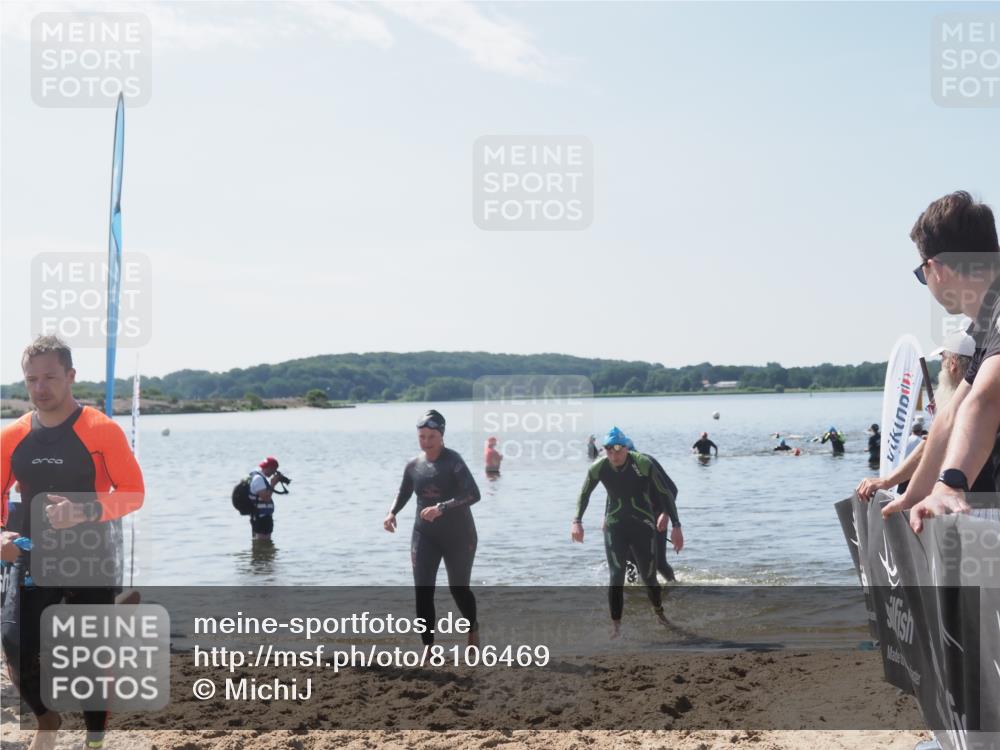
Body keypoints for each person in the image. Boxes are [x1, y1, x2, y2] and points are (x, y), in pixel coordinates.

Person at [1, 336, 144, 750]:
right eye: (32, 379)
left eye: (49, 377)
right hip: (30, 554)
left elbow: (133, 492)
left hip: (91, 555)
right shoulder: (12, 436)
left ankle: (95, 738)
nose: (40, 387)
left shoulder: (101, 430)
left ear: (71, 376)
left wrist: (82, 511)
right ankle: (47, 719)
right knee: (14, 643)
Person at [881, 191, 1000, 529]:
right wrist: (914, 494)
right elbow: (950, 417)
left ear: (936, 269)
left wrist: (950, 484)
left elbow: (986, 401)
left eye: (922, 275)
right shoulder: (985, 325)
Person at [384, 410, 481, 646]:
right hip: (424, 534)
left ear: (442, 436)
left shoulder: (453, 461)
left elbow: (473, 494)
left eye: (431, 437)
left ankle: (472, 628)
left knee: (458, 588)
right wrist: (392, 512)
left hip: (459, 535)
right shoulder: (414, 465)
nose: (426, 442)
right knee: (423, 590)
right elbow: (404, 491)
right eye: (422, 437)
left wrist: (442, 507)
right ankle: (428, 647)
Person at [572, 427, 671, 637]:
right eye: (610, 451)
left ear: (628, 449)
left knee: (653, 570)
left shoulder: (646, 462)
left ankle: (660, 609)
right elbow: (615, 491)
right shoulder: (605, 466)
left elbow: (669, 491)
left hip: (649, 521)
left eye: (620, 451)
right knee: (618, 573)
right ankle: (616, 625)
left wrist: (666, 515)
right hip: (618, 523)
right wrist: (583, 520)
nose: (616, 456)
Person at [856, 330, 977, 501]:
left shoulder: (964, 402)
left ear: (953, 363)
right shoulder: (982, 394)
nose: (940, 368)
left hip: (974, 504)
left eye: (942, 359)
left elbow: (931, 448)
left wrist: (886, 481)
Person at [622, 437, 684, 583]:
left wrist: (665, 513)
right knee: (630, 563)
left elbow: (672, 490)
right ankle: (634, 596)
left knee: (659, 563)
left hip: (656, 517)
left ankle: (674, 585)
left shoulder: (647, 462)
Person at [248, 456, 284, 540]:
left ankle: (260, 553)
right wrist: (273, 484)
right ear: (269, 468)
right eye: (274, 470)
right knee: (264, 542)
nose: (274, 473)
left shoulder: (258, 477)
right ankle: (262, 553)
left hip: (259, 516)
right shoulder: (259, 479)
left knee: (260, 545)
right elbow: (266, 498)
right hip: (262, 517)